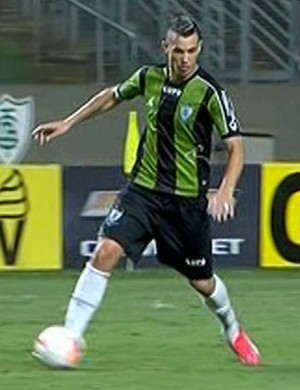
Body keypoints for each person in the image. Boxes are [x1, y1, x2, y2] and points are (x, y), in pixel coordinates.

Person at [32, 14, 261, 366]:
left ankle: (232, 329)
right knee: (105, 251)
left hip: (186, 205)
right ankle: (72, 338)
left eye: (191, 51)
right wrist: (68, 122)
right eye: (178, 50)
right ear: (165, 48)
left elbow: (236, 146)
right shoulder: (148, 77)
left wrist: (226, 189)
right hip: (142, 193)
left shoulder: (210, 93)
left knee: (202, 282)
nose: (185, 59)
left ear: (199, 50)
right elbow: (112, 96)